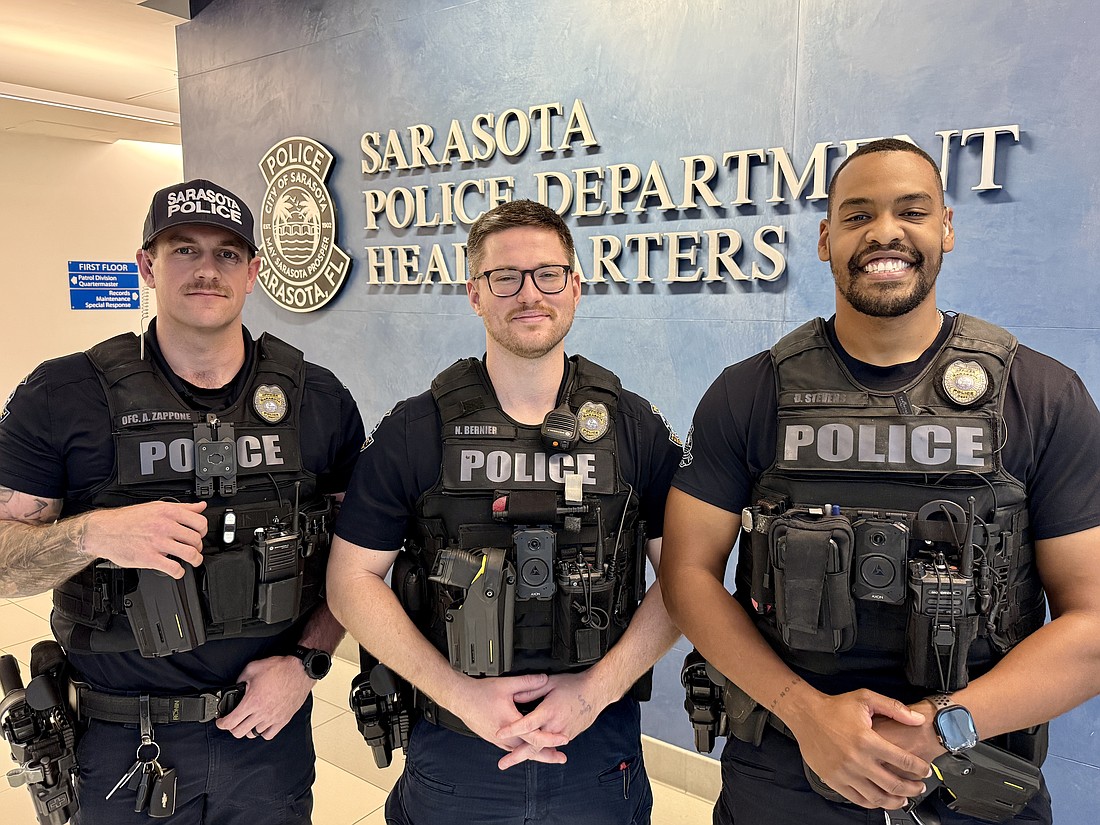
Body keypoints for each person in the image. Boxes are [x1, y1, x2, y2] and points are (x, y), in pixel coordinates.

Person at [660, 139, 1100, 824]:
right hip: (784, 766)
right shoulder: (748, 393)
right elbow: (688, 574)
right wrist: (807, 715)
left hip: (973, 770)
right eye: (858, 215)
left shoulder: (1040, 394)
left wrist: (938, 726)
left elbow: (1093, 620)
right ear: (826, 238)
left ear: (946, 228)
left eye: (911, 210)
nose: (885, 232)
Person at [0, 178, 365, 824]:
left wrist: (309, 663)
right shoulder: (62, 396)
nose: (207, 269)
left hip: (267, 731)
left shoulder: (319, 399)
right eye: (184, 249)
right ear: (147, 264)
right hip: (121, 741)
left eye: (227, 253)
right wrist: (94, 535)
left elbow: (357, 559)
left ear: (254, 272)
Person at [327, 199, 682, 825]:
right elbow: (350, 582)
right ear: (474, 293)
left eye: (548, 273)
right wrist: (459, 694)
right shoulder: (416, 429)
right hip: (456, 743)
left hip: (596, 741)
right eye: (505, 277)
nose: (529, 293)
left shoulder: (633, 427)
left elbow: (686, 582)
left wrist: (591, 694)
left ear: (575, 285)